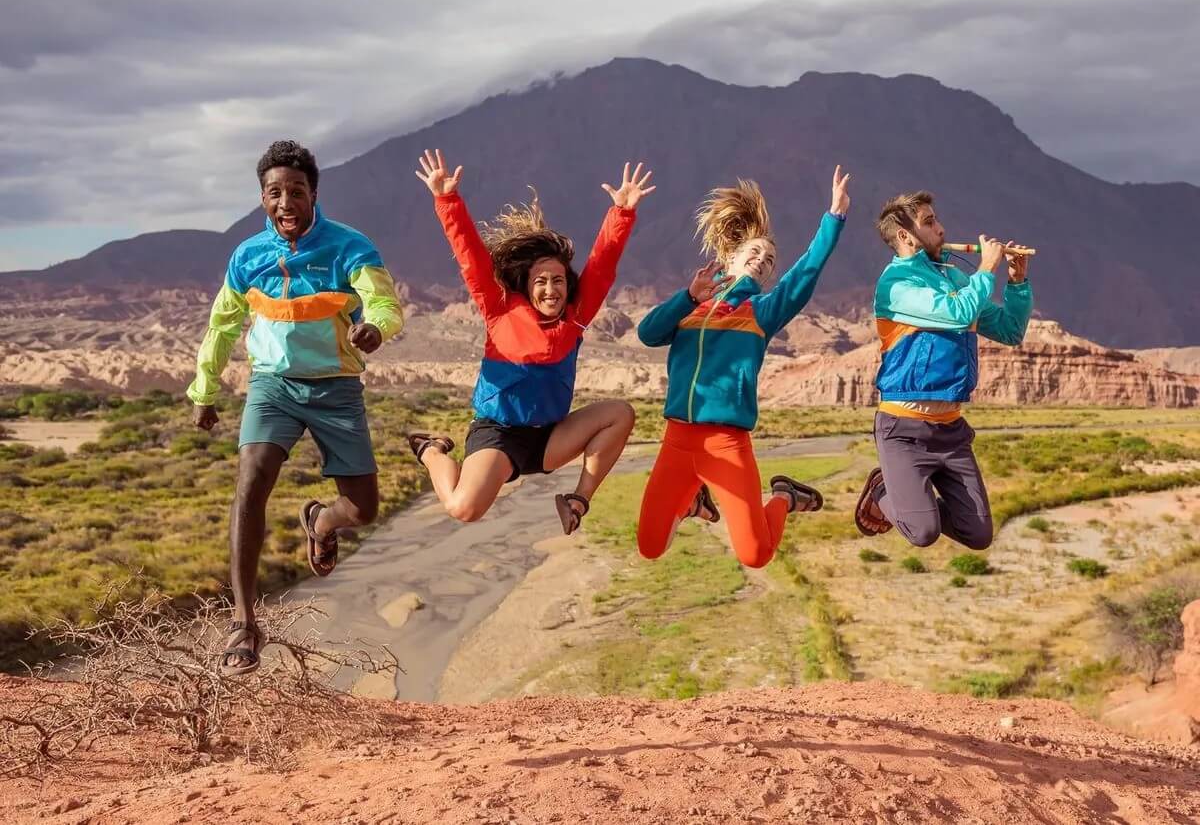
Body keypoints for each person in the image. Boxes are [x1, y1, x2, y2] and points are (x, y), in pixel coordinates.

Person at [188, 140, 404, 675]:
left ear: (313, 194)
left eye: (296, 192)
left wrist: (376, 327)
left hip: (336, 388)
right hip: (273, 386)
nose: (285, 202)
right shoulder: (247, 257)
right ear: (262, 197)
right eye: (274, 193)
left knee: (363, 510)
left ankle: (321, 522)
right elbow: (222, 326)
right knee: (250, 481)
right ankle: (244, 623)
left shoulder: (349, 246)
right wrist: (204, 390)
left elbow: (383, 301)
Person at [408, 149, 652, 533]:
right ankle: (431, 451)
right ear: (527, 286)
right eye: (541, 281)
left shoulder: (575, 316)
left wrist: (621, 212)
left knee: (620, 413)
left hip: (550, 437)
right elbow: (471, 258)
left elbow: (602, 266)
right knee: (462, 508)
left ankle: (577, 500)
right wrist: (447, 199)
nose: (551, 289)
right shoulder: (500, 310)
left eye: (558, 280)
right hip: (500, 433)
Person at [635, 167, 851, 567]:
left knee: (755, 555)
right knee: (650, 547)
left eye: (769, 261)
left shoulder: (762, 311)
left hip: (727, 442)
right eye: (754, 252)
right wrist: (687, 297)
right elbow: (647, 334)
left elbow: (805, 273)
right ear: (730, 257)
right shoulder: (692, 304)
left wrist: (834, 217)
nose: (762, 261)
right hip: (677, 439)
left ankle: (786, 496)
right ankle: (693, 501)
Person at [854, 191, 1033, 549]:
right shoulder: (896, 284)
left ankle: (908, 500)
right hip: (903, 429)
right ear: (905, 236)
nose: (941, 229)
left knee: (978, 535)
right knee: (923, 532)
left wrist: (1017, 283)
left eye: (936, 219)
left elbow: (1010, 331)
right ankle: (883, 492)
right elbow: (957, 314)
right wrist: (986, 269)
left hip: (951, 429)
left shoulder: (954, 279)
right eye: (929, 222)